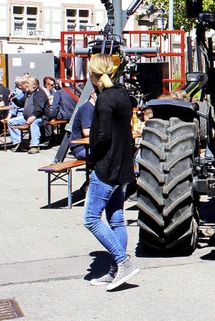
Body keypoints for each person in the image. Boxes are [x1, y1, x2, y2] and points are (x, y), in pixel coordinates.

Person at [83, 54, 138, 291]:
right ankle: (116, 270)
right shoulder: (122, 95)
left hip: (106, 167)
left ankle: (122, 261)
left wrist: (92, 159)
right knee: (116, 218)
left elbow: (103, 135)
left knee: (91, 219)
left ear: (93, 74)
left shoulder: (105, 99)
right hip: (123, 167)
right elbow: (118, 128)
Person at [8, 76, 50, 153]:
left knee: (34, 122)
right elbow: (21, 104)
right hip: (27, 117)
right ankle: (17, 143)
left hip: (41, 117)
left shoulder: (39, 93)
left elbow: (39, 107)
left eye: (27, 83)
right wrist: (14, 99)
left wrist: (33, 116)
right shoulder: (29, 93)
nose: (26, 84)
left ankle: (35, 146)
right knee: (11, 122)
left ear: (34, 85)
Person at [69, 92, 96, 160]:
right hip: (80, 148)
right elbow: (86, 132)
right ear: (92, 94)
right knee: (107, 156)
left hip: (89, 146)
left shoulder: (94, 108)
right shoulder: (87, 108)